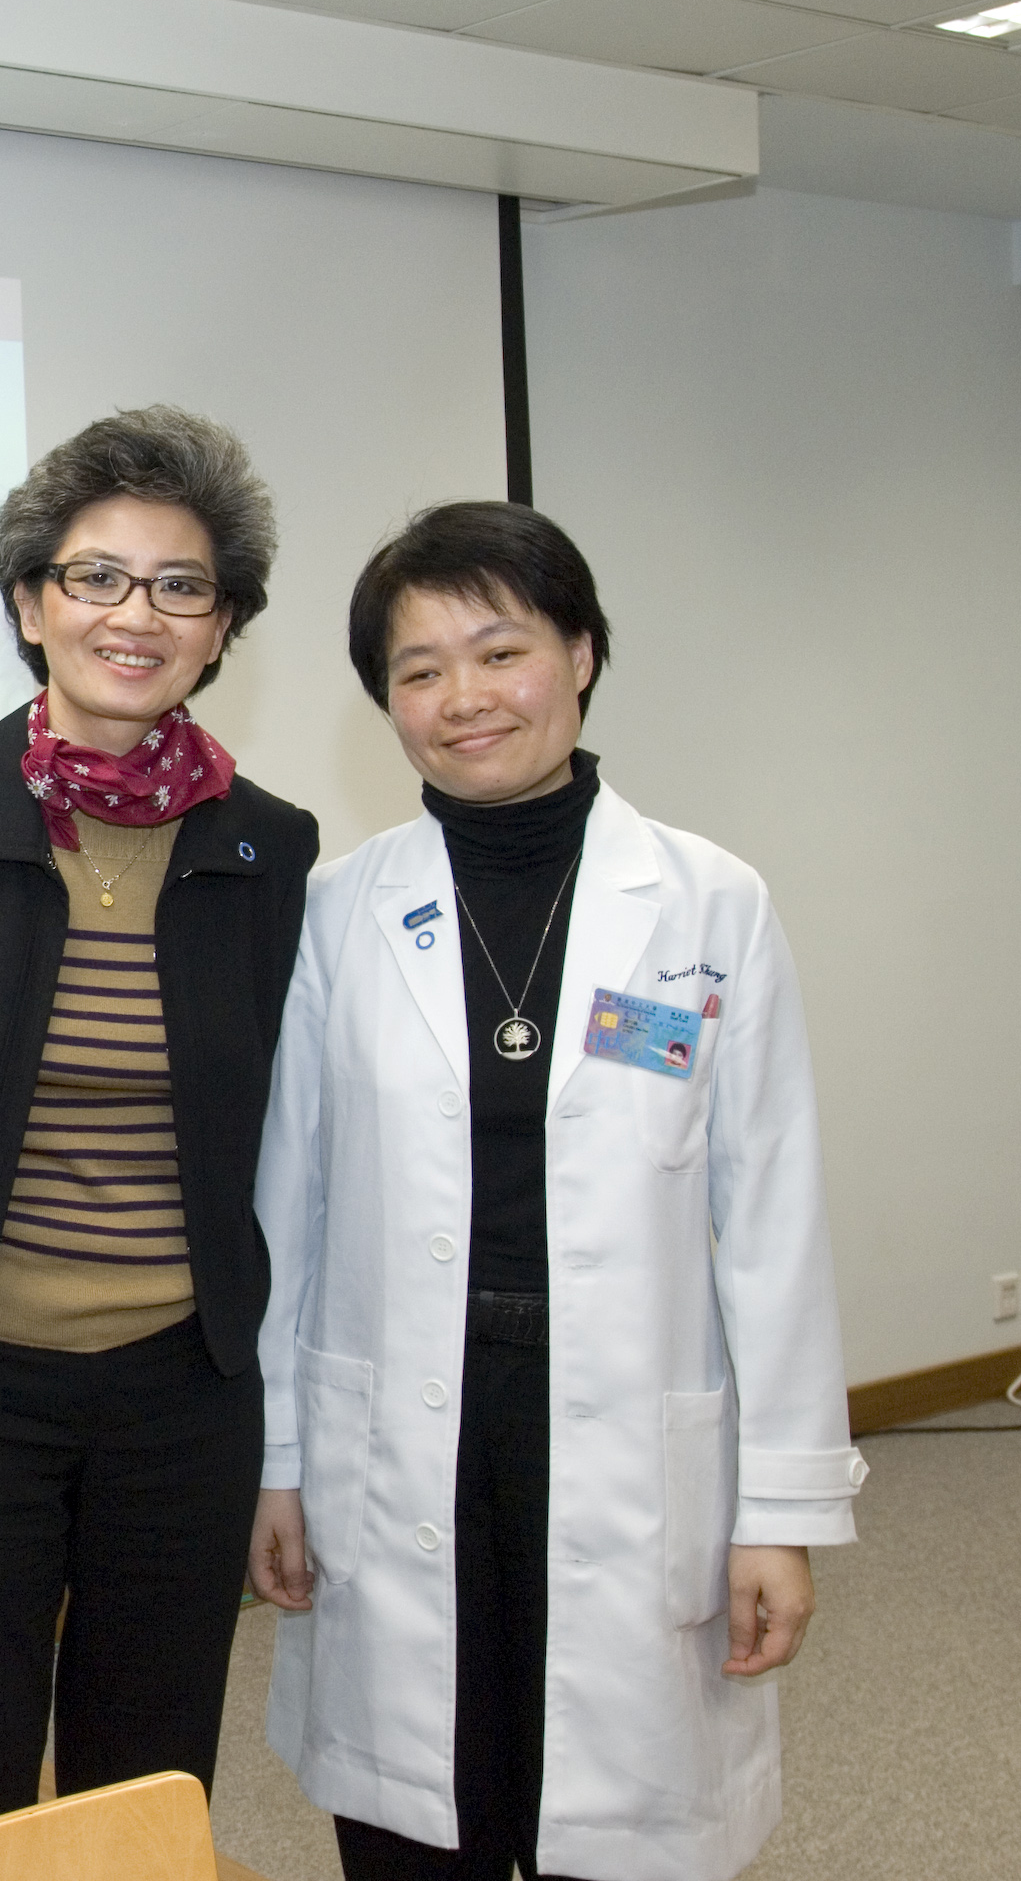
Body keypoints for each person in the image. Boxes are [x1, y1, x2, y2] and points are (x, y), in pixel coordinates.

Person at [248, 502, 863, 1881]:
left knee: (619, 1822)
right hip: (407, 1420)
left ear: (581, 655)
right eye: (416, 671)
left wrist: (781, 1509)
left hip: (627, 1426)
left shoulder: (709, 905)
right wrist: (279, 1459)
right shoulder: (341, 913)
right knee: (422, 1816)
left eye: (500, 650)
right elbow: (291, 1209)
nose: (461, 700)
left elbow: (770, 1223)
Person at [0, 406, 317, 1838]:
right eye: (96, 577)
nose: (136, 615)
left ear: (222, 626)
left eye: (181, 586)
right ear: (30, 601)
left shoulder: (266, 846)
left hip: (184, 1393)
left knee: (151, 1782)